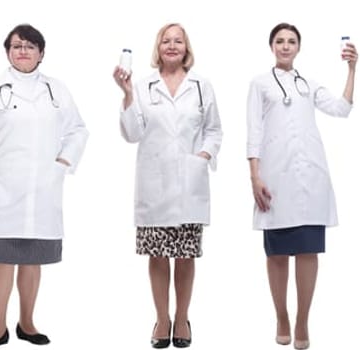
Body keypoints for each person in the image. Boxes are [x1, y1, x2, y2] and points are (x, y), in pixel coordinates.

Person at [0, 23, 88, 350]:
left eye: (29, 45)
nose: (22, 50)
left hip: (43, 188)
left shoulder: (57, 89)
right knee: (2, 258)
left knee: (32, 258)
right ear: (8, 52)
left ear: (41, 52)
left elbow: (78, 131)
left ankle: (27, 322)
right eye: (16, 46)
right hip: (3, 188)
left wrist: (63, 164)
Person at [111, 23, 223, 349]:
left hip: (190, 182)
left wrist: (203, 155)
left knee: (185, 256)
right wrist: (128, 94)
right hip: (155, 184)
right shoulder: (143, 86)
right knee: (158, 255)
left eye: (178, 41)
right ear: (157, 48)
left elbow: (214, 130)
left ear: (187, 48)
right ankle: (162, 318)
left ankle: (183, 317)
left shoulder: (202, 86)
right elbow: (132, 134)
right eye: (166, 41)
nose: (172, 46)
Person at [248, 22, 354, 350]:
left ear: (298, 47)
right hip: (275, 179)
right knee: (278, 254)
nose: (285, 46)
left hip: (310, 179)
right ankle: (281, 315)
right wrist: (255, 176)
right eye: (279, 41)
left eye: (291, 41)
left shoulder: (308, 84)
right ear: (271, 46)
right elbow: (253, 131)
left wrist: (352, 68)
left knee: (308, 252)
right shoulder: (260, 84)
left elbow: (342, 109)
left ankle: (302, 319)